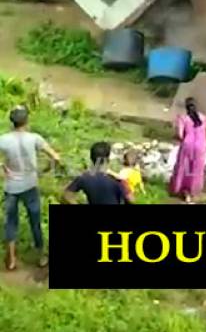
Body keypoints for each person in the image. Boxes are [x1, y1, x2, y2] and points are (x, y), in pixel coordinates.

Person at [1, 107, 62, 270]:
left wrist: (2, 168)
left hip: (11, 186)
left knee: (11, 223)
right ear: (26, 121)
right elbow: (56, 157)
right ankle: (41, 256)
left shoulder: (4, 140)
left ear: (11, 122)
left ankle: (11, 259)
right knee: (35, 221)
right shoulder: (34, 138)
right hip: (30, 184)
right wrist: (44, 170)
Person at [169, 97, 206, 204]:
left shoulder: (183, 118)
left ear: (186, 107)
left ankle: (183, 190)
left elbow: (180, 135)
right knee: (196, 169)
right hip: (201, 146)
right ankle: (192, 191)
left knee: (184, 168)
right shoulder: (203, 118)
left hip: (187, 145)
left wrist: (182, 138)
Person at [63, 142, 132, 205]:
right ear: (108, 159)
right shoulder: (116, 179)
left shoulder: (84, 177)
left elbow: (67, 194)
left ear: (91, 158)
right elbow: (130, 199)